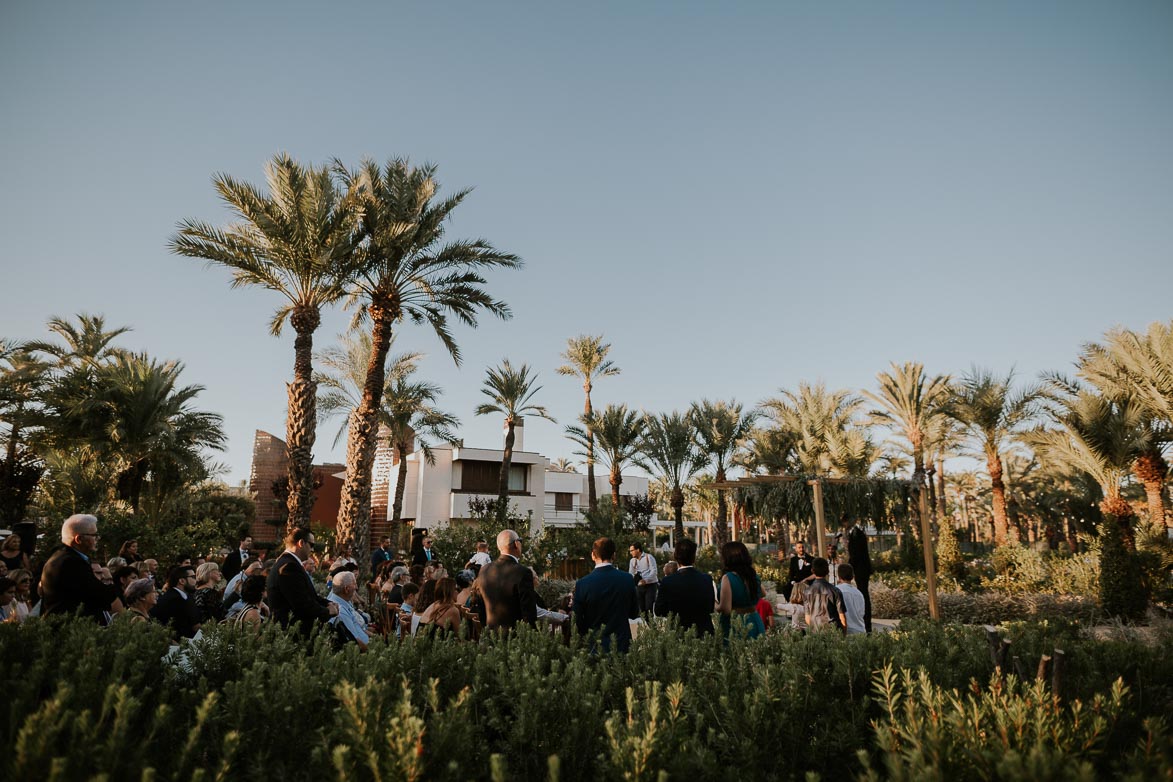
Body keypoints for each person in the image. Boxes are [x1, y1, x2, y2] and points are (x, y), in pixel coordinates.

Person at [40, 514, 122, 622]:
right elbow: (99, 594)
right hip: (69, 629)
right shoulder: (71, 562)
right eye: (94, 535)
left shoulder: (60, 556)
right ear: (79, 539)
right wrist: (115, 586)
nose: (97, 539)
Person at [573, 537, 639, 653]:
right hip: (621, 644)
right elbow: (633, 613)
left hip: (594, 646)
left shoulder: (582, 584)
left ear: (593, 555)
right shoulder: (627, 579)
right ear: (614, 555)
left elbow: (577, 620)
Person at [267, 527, 338, 635]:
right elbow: (302, 604)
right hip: (290, 636)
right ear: (301, 543)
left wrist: (328, 603)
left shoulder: (290, 563)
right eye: (311, 545)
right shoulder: (288, 566)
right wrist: (327, 611)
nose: (312, 550)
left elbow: (308, 595)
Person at [477, 529, 538, 631]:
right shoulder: (523, 572)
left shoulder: (484, 570)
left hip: (491, 634)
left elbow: (481, 606)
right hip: (515, 637)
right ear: (516, 544)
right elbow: (528, 612)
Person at [652, 538, 715, 636]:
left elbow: (659, 611)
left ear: (675, 556)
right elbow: (710, 608)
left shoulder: (668, 581)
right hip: (704, 633)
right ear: (694, 557)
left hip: (678, 634)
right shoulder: (706, 579)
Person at [718, 541, 765, 640]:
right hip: (754, 619)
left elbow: (726, 609)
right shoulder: (752, 575)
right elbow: (763, 593)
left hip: (736, 623)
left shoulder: (728, 577)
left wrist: (713, 603)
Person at [151, 564, 202, 639]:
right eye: (193, 577)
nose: (196, 580)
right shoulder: (174, 599)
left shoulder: (183, 596)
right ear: (181, 581)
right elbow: (195, 626)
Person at [328, 571, 371, 650]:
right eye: (354, 584)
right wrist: (373, 651)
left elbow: (358, 628)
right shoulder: (340, 610)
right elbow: (355, 641)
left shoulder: (344, 602)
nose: (357, 587)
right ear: (346, 589)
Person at [844, 519, 873, 632]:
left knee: (864, 594)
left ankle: (866, 623)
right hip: (862, 568)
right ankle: (866, 622)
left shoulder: (856, 534)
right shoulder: (857, 533)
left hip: (860, 569)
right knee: (864, 593)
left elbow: (856, 553)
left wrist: (850, 565)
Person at [804, 557, 846, 633]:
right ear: (827, 571)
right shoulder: (835, 591)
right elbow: (841, 616)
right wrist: (844, 633)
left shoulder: (807, 592)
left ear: (812, 571)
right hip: (833, 631)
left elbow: (807, 617)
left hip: (816, 632)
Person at [627, 541, 659, 613]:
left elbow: (654, 572)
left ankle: (651, 624)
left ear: (638, 550)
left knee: (649, 608)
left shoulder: (649, 557)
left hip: (650, 585)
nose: (630, 552)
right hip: (639, 586)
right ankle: (647, 623)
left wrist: (645, 580)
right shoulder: (632, 561)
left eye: (632, 550)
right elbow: (631, 574)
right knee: (642, 610)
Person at [836, 563, 867, 635]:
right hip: (860, 631)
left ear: (839, 576)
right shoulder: (859, 593)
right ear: (852, 576)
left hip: (845, 631)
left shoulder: (836, 591)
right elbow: (861, 613)